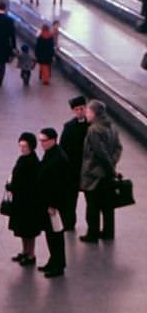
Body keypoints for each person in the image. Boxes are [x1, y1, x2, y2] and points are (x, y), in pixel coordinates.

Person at [80, 100, 122, 243]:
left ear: (94, 113)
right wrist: (113, 164)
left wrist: (108, 167)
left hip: (94, 174)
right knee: (107, 205)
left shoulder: (94, 130)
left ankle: (93, 234)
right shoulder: (112, 127)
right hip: (107, 174)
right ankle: (108, 232)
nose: (86, 114)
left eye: (88, 111)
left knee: (92, 205)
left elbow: (100, 153)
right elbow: (118, 148)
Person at [36, 127, 69, 277]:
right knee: (51, 234)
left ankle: (58, 264)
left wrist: (52, 204)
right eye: (40, 140)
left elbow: (59, 184)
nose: (41, 144)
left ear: (53, 140)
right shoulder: (51, 154)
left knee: (56, 234)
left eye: (44, 140)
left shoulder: (58, 158)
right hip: (46, 202)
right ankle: (53, 260)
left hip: (53, 205)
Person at [7, 132, 42, 266]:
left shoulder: (32, 162)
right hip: (21, 201)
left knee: (29, 231)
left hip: (28, 202)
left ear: (31, 147)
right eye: (20, 146)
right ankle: (25, 251)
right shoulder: (24, 159)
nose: (22, 149)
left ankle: (31, 254)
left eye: (24, 146)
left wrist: (13, 186)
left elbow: (30, 183)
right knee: (23, 230)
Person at [59, 96, 89, 231]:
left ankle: (91, 226)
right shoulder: (68, 127)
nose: (79, 112)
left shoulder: (92, 125)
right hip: (73, 168)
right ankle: (69, 223)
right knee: (71, 198)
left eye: (81, 109)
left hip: (88, 167)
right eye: (76, 109)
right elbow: (63, 147)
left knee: (91, 199)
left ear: (85, 109)